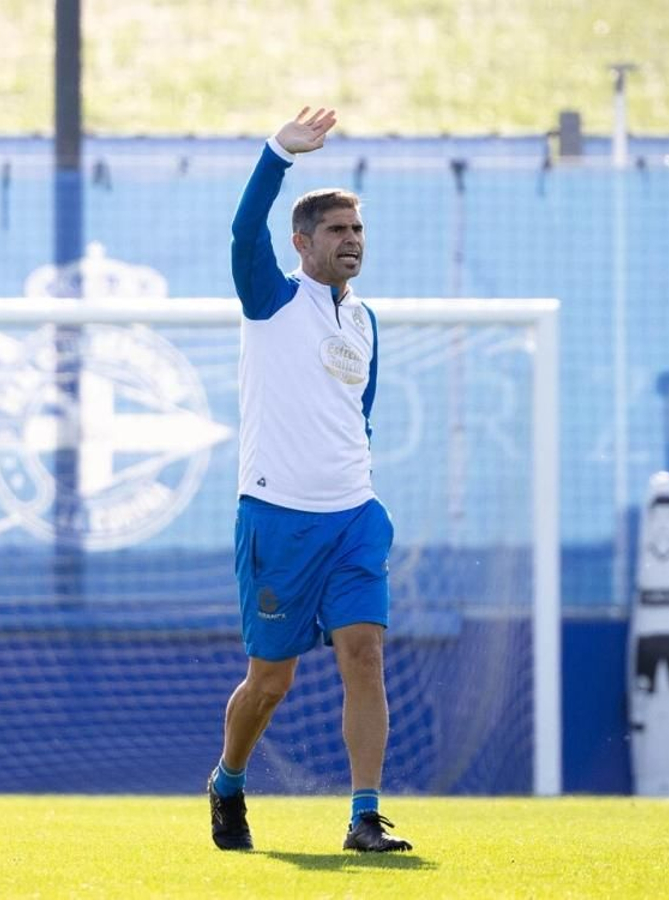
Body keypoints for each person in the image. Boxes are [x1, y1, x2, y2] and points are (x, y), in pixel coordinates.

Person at [208, 107, 411, 852]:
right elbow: (240, 235)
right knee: (271, 683)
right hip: (278, 519)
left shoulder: (364, 321)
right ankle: (229, 780)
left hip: (354, 515)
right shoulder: (271, 299)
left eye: (358, 231)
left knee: (364, 652)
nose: (352, 242)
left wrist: (356, 474)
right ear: (302, 242)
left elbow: (360, 413)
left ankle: (363, 814)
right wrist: (275, 154)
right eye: (337, 231)